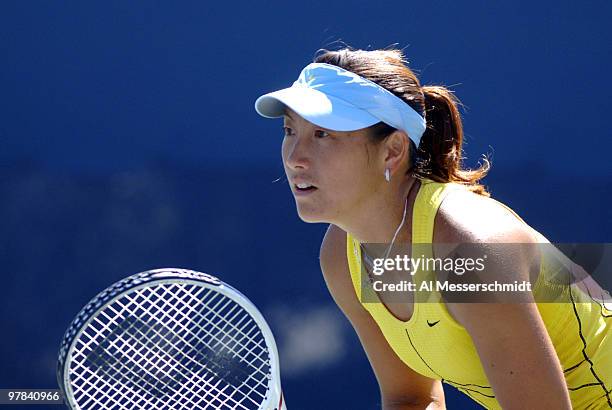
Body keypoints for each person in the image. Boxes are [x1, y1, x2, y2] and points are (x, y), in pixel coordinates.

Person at [254, 48, 611, 409]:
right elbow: (411, 398)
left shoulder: (470, 252)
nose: (295, 158)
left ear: (392, 151)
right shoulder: (342, 258)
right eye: (289, 130)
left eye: (322, 135)